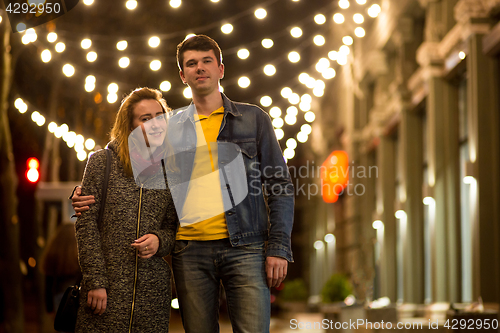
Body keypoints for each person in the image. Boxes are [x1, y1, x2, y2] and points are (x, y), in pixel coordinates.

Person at [72, 35, 294, 333]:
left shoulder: (253, 119)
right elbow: (125, 153)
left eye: (206, 61)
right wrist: (83, 191)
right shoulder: (169, 126)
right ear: (182, 75)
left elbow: (280, 185)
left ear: (220, 69)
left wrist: (278, 247)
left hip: (245, 246)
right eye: (191, 63)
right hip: (189, 252)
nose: (199, 68)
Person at [73, 87, 178, 332]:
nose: (156, 124)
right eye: (145, 118)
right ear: (129, 126)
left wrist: (159, 240)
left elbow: (174, 228)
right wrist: (96, 281)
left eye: (159, 116)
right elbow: (86, 226)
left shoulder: (171, 170)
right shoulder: (102, 162)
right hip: (105, 291)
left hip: (152, 296)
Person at [40, 223, 81, 315]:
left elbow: (49, 284)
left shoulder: (53, 254)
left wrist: (49, 308)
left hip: (59, 296)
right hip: (77, 296)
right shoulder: (79, 255)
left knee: (63, 327)